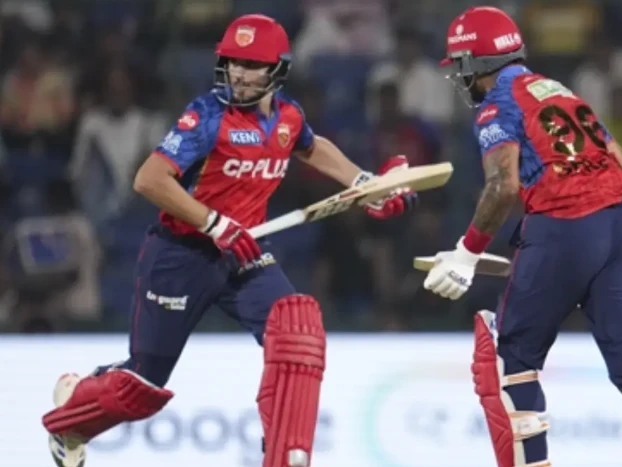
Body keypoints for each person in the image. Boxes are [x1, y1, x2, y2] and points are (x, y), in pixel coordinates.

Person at [41, 14, 417, 467]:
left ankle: (284, 454)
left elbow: (311, 146)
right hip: (181, 255)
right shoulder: (207, 115)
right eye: (233, 62)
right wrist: (215, 224)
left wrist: (362, 181)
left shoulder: (288, 116)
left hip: (245, 254)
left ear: (277, 70)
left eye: (251, 65)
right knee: (142, 387)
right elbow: (149, 179)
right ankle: (72, 417)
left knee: (297, 329)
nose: (238, 73)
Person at [424, 6, 622, 467]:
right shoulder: (562, 93)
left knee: (509, 361)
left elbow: (503, 186)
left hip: (565, 225)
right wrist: (597, 258)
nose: (461, 79)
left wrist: (466, 253)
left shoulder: (499, 104)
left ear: (475, 64)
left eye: (461, 67)